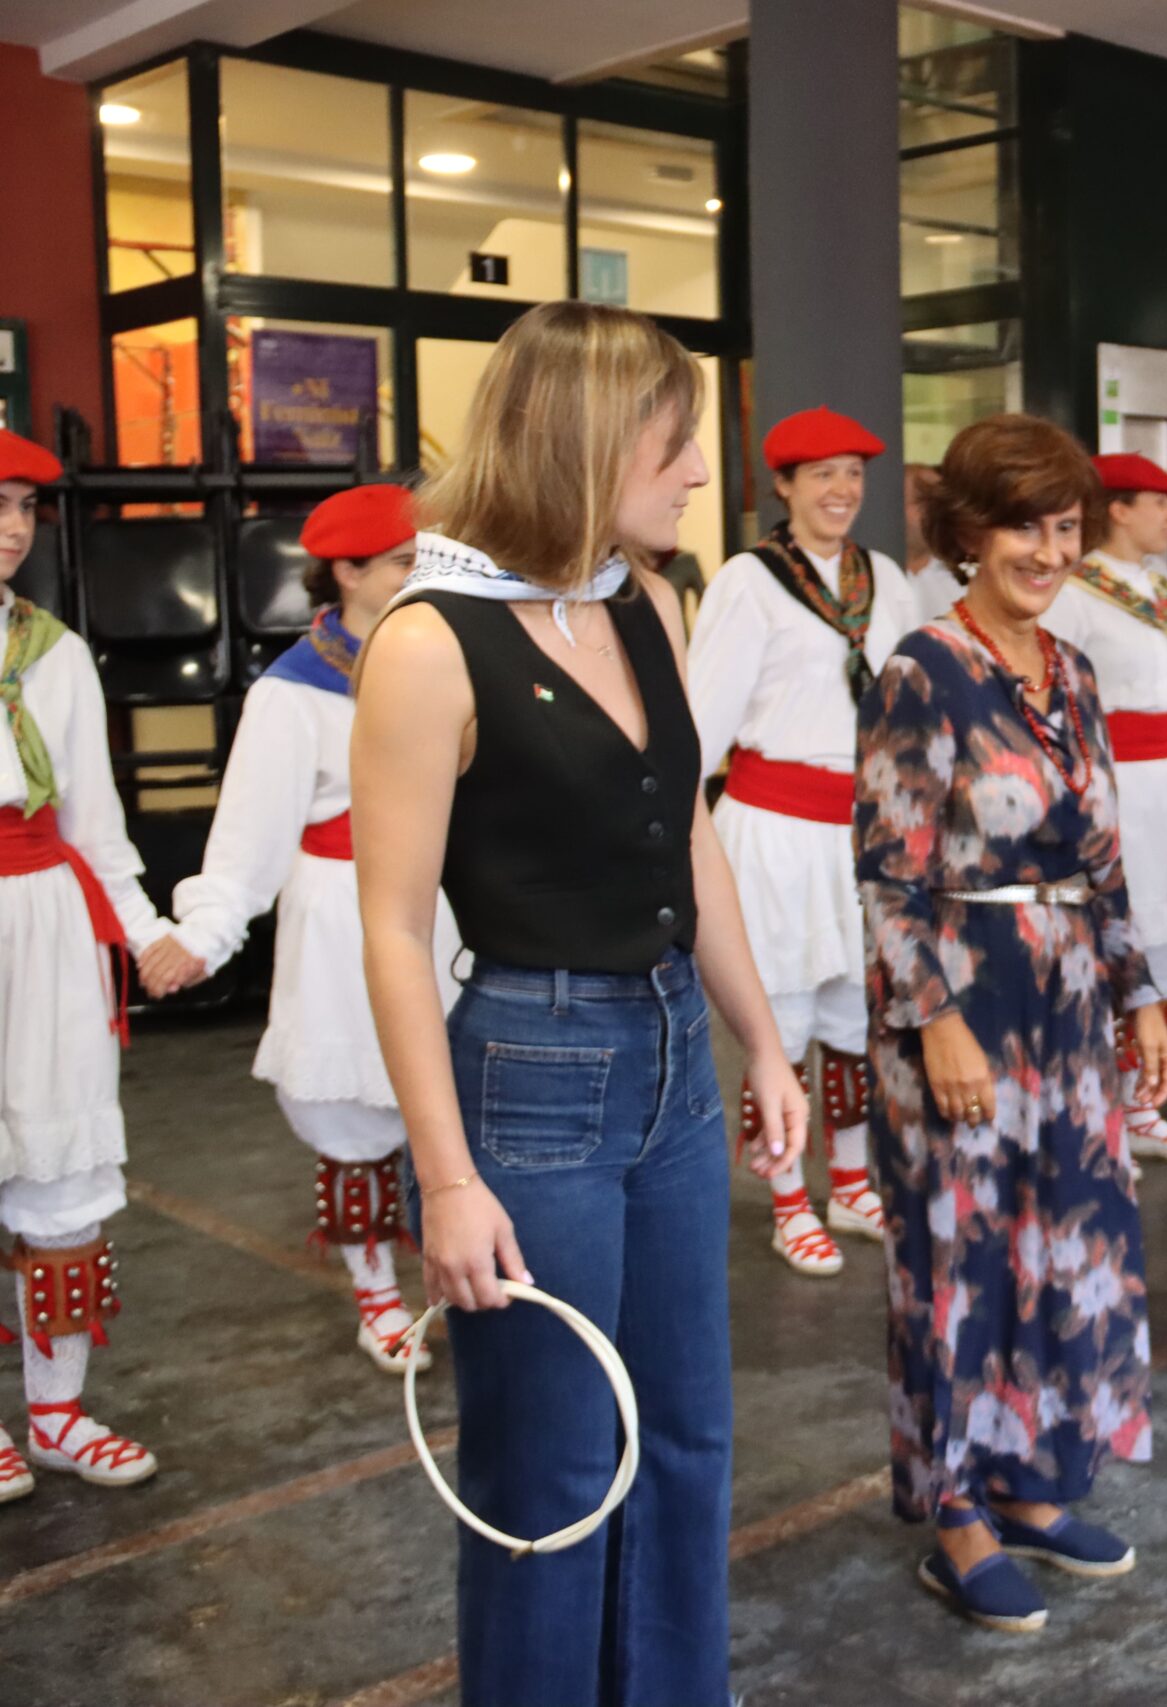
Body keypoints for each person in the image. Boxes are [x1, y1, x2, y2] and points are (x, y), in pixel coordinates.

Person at [354, 301, 810, 1707]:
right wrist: (446, 1181)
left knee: (685, 1438)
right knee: (548, 1470)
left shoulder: (646, 603)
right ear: (588, 442)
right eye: (676, 445)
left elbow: (690, 835)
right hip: (530, 1072)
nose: (698, 474)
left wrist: (763, 1039)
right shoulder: (429, 643)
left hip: (674, 1059)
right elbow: (391, 928)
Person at [858, 413, 1167, 1634]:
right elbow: (889, 873)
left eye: (1064, 527)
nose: (1047, 551)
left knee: (1065, 1244)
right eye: (1021, 527)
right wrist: (934, 1020)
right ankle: (956, 1517)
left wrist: (1139, 993)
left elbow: (1103, 860)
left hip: (1069, 1002)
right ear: (968, 533)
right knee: (960, 1256)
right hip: (962, 993)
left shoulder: (1072, 670)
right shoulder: (921, 669)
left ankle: (1033, 1482)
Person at [167, 484, 464, 1373]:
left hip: (447, 906)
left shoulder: (446, 657)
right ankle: (378, 1294)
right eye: (405, 562)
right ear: (347, 571)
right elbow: (249, 833)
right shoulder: (292, 691)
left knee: (453, 1099)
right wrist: (208, 930)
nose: (421, 575)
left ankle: (458, 1273)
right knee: (357, 1115)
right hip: (345, 916)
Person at [0, 427, 190, 1502]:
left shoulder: (57, 654)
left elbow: (93, 816)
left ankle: (57, 1412)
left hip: (48, 923)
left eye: (25, 506)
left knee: (61, 1167)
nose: (13, 527)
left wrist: (144, 927)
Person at [690, 406, 922, 1277]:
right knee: (779, 1023)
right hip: (775, 831)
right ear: (782, 486)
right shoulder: (748, 582)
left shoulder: (885, 578)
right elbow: (704, 719)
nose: (841, 489)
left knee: (856, 1018)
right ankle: (788, 1197)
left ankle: (851, 1183)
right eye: (821, 473)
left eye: (853, 473)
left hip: (862, 832)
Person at [1041, 450, 1167, 1165]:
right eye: (1158, 502)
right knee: (1113, 941)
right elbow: (1056, 700)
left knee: (1166, 946)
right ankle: (1097, 1115)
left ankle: (1145, 1105)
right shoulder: (1075, 594)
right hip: (1114, 787)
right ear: (1117, 509)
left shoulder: (1160, 589)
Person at [905, 463, 963, 619]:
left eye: (940, 501)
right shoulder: (870, 575)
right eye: (922, 499)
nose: (937, 510)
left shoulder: (964, 582)